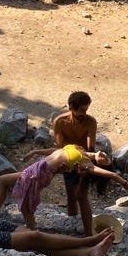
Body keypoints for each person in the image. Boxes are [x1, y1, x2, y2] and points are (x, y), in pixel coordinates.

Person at [0, 144, 128, 229]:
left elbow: (109, 175)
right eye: (106, 156)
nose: (104, 156)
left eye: (105, 160)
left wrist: (121, 180)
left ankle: (31, 234)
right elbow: (54, 150)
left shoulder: (87, 164)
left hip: (41, 174)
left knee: (26, 207)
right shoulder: (79, 150)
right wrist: (35, 152)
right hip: (36, 167)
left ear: (98, 164)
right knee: (2, 181)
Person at [53, 90, 101, 235]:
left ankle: (88, 234)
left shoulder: (90, 122)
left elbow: (90, 147)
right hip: (68, 160)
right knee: (71, 195)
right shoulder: (60, 122)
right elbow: (60, 147)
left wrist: (87, 165)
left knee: (82, 196)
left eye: (86, 110)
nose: (84, 114)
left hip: (85, 160)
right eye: (81, 110)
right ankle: (72, 227)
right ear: (71, 107)